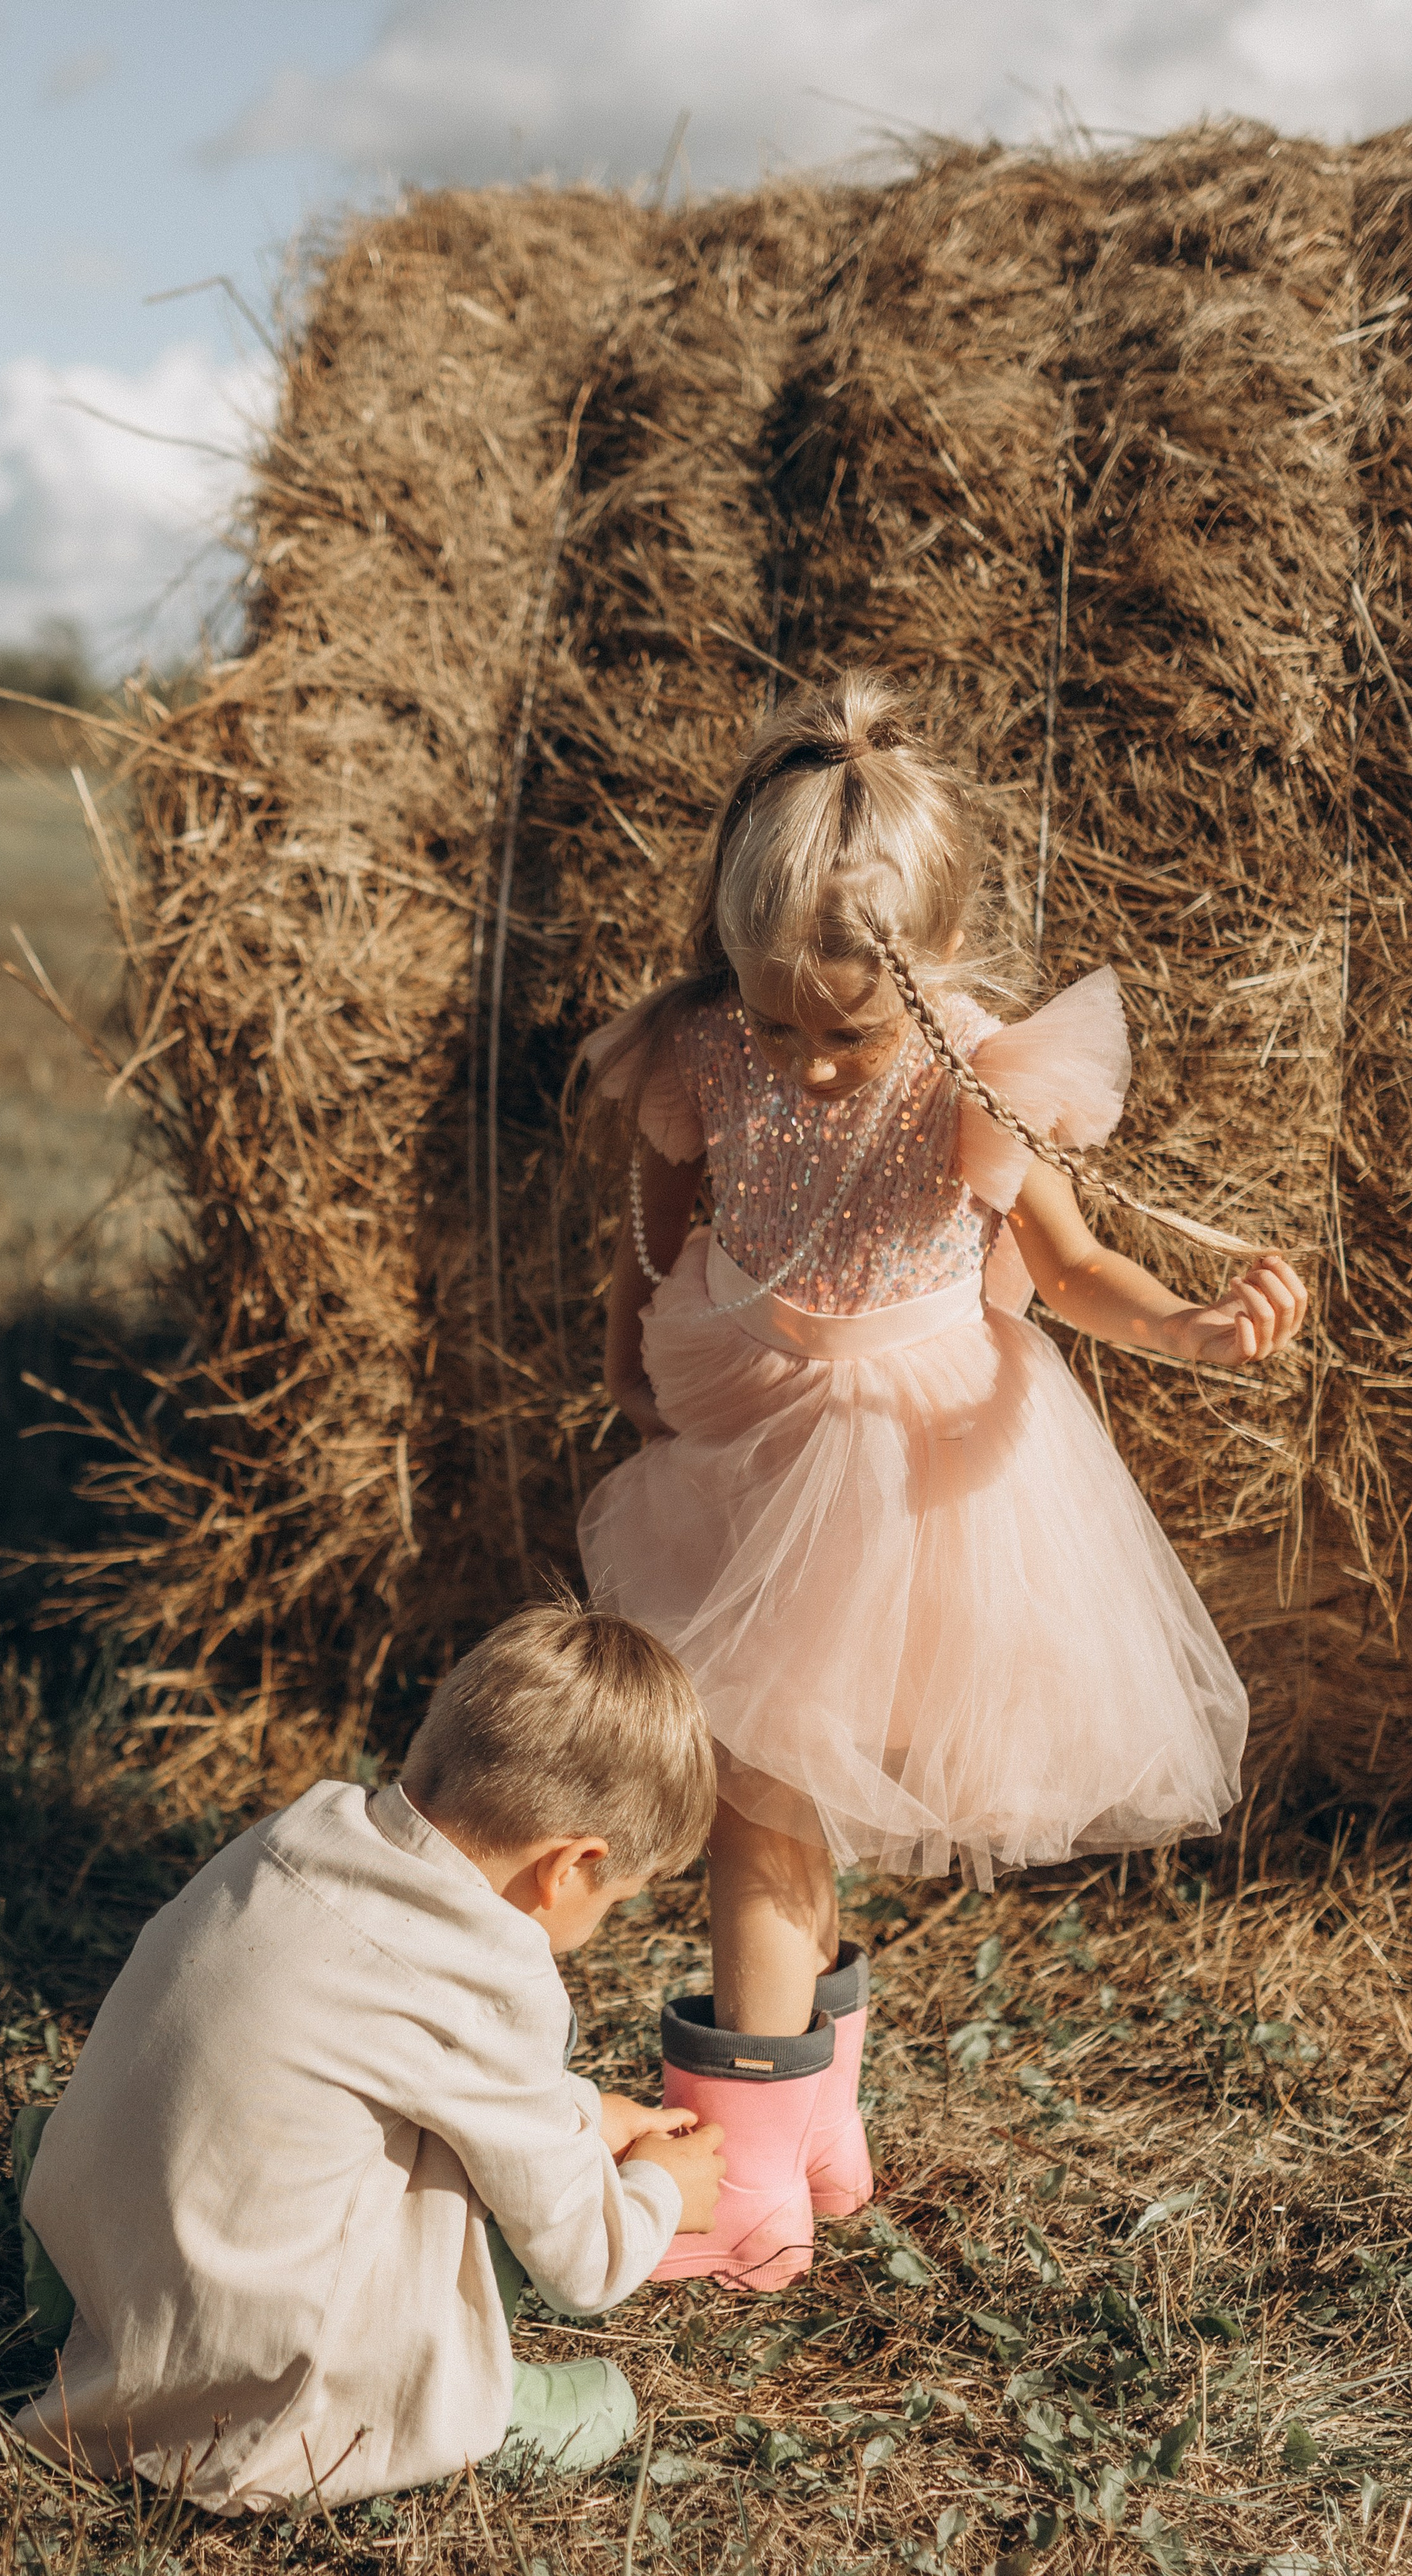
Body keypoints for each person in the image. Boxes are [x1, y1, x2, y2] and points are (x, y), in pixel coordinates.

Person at [573, 671, 1308, 2291]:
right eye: (775, 1021)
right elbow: (652, 1231)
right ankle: (815, 2133)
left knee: (761, 1815)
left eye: (846, 1028)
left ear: (933, 970)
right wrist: (630, 1350)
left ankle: (748, 2189)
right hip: (744, 1439)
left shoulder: (979, 1070)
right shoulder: (697, 1047)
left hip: (912, 1476)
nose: (809, 1062)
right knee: (771, 1791)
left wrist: (1189, 1325)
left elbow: (1078, 1265)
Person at [12, 1601, 724, 2514]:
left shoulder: (302, 1834)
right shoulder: (486, 1967)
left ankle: (105, 2307)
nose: (604, 1921)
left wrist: (587, 2116)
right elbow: (583, 2264)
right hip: (255, 2391)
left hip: (113, 2231)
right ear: (570, 1865)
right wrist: (661, 2188)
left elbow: (408, 2062)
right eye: (618, 1898)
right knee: (581, 2372)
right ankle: (461, 2404)